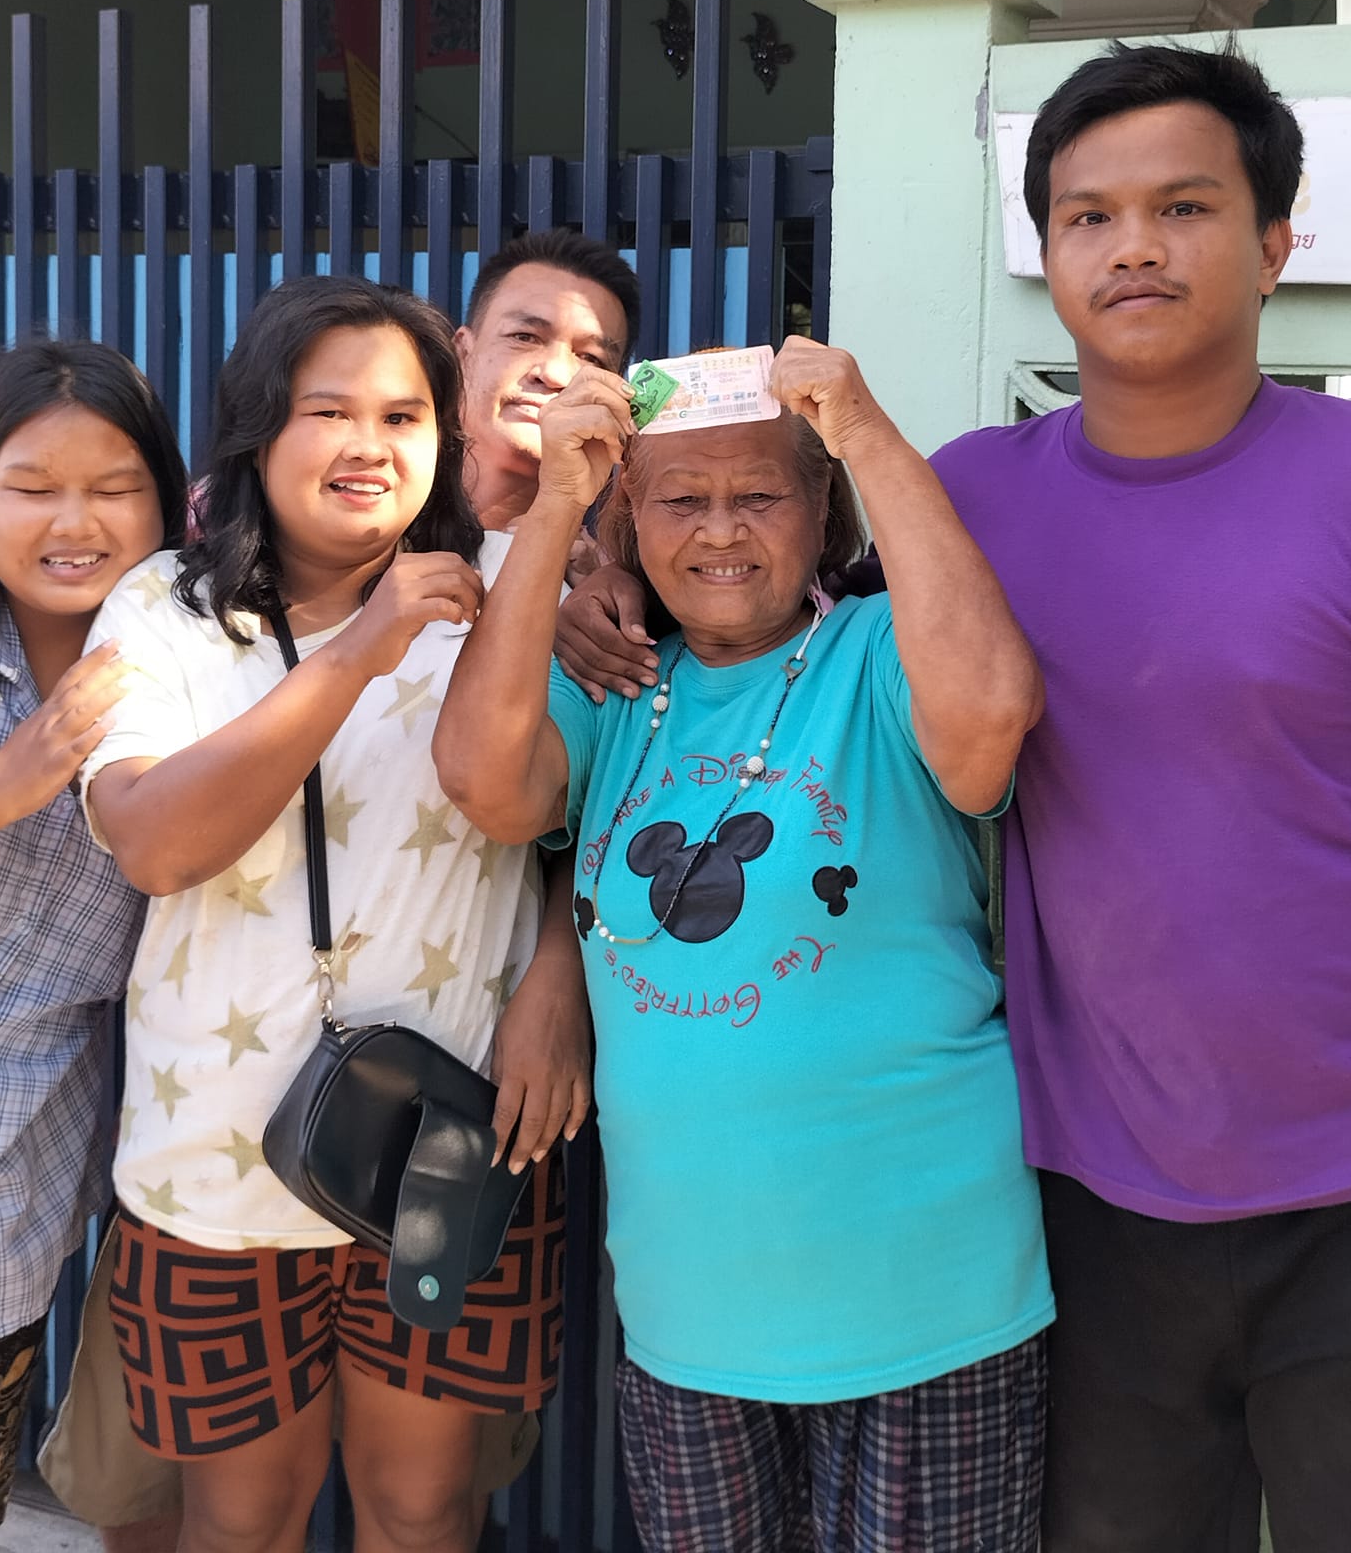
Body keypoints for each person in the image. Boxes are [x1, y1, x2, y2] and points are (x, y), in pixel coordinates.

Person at [564, 41, 1351, 1553]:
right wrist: (587, 574)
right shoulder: (961, 497)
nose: (1134, 246)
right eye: (1089, 216)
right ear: (1044, 253)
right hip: (1089, 1180)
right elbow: (766, 638)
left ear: (1278, 240)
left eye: (1184, 207)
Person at [434, 337, 1054, 1553]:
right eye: (681, 499)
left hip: (932, 1296)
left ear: (822, 513)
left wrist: (865, 431)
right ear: (633, 517)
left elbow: (990, 717)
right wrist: (558, 507)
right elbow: (482, 780)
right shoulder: (615, 683)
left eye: (762, 493)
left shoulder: (878, 650)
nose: (721, 530)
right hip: (692, 1314)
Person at [82, 276, 587, 1553]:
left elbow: (586, 816)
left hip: (448, 1141)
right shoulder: (166, 607)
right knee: (241, 1518)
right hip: (217, 1157)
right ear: (261, 426)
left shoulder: (512, 589)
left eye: (404, 416)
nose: (370, 445)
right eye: (331, 411)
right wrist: (362, 647)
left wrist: (560, 966)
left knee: (422, 1507)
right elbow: (155, 843)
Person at [0, 340, 187, 1553]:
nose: (75, 521)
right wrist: (11, 779)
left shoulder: (193, 667)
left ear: (166, 500)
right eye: (32, 485)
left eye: (114, 487)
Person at [455, 227, 640, 547]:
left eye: (590, 357)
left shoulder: (604, 573)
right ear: (462, 353)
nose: (555, 375)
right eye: (524, 337)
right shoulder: (374, 537)